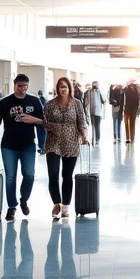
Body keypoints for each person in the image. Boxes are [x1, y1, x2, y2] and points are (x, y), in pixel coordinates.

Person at [0, 74, 47, 221]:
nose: (22, 89)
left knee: (29, 175)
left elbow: (42, 122)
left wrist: (42, 144)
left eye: (25, 86)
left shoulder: (34, 101)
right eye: (19, 86)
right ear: (14, 85)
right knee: (10, 177)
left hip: (28, 145)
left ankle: (23, 199)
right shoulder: (5, 102)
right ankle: (12, 207)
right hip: (9, 146)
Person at [43, 77, 88, 219]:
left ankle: (66, 206)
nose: (63, 89)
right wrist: (55, 127)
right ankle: (56, 203)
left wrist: (84, 134)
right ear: (57, 88)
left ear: (70, 88)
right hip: (53, 142)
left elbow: (82, 120)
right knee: (53, 174)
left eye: (65, 86)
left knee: (67, 176)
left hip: (71, 142)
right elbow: (45, 123)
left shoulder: (77, 104)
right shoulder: (50, 104)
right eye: (60, 86)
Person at [86, 81, 105, 146]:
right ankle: (95, 139)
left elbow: (103, 100)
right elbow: (103, 100)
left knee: (95, 125)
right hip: (95, 111)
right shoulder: (93, 91)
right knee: (95, 125)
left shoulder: (93, 91)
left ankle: (95, 139)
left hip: (94, 111)